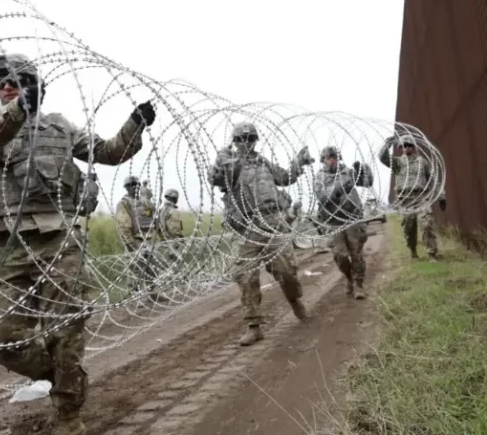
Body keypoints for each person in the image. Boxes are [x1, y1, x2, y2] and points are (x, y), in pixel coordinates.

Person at [0, 52, 155, 435]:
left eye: (17, 78)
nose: (7, 84)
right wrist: (17, 110)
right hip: (8, 246)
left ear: (34, 82)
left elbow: (111, 152)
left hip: (60, 241)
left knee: (66, 328)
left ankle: (68, 416)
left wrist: (135, 124)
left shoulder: (61, 128)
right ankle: (59, 372)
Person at [208, 121, 314, 346]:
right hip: (248, 226)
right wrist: (220, 160)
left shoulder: (264, 162)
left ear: (255, 140)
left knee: (286, 270)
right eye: (240, 139)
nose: (245, 143)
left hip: (274, 221)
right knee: (245, 275)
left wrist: (299, 161)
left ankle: (295, 301)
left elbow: (285, 178)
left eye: (249, 138)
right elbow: (215, 179)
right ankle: (253, 326)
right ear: (235, 142)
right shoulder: (231, 165)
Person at [314, 145, 373, 299]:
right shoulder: (319, 177)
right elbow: (322, 198)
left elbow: (367, 182)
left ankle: (359, 284)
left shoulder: (348, 173)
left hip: (352, 218)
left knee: (356, 254)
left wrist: (364, 170)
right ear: (323, 160)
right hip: (334, 222)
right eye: (329, 157)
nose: (332, 160)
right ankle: (349, 277)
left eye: (334, 156)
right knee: (340, 257)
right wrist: (338, 189)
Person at [378, 135, 446, 260]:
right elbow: (382, 158)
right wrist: (388, 143)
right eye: (404, 146)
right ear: (401, 148)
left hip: (421, 198)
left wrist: (441, 196)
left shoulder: (423, 162)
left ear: (414, 147)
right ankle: (413, 250)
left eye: (409, 145)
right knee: (409, 229)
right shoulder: (397, 162)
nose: (407, 148)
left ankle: (432, 254)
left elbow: (433, 180)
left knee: (426, 225)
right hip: (405, 200)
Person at [116, 175, 159, 293]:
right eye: (131, 185)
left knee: (152, 268)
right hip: (135, 240)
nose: (135, 187)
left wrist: (148, 199)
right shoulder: (124, 203)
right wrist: (130, 244)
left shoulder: (144, 202)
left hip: (147, 239)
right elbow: (124, 225)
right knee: (135, 270)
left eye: (136, 184)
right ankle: (136, 296)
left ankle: (153, 293)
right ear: (126, 188)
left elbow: (153, 215)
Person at [156, 188, 184, 261]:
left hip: (163, 240)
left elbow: (157, 226)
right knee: (175, 264)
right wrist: (180, 238)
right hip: (172, 241)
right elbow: (174, 229)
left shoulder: (161, 210)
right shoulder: (173, 211)